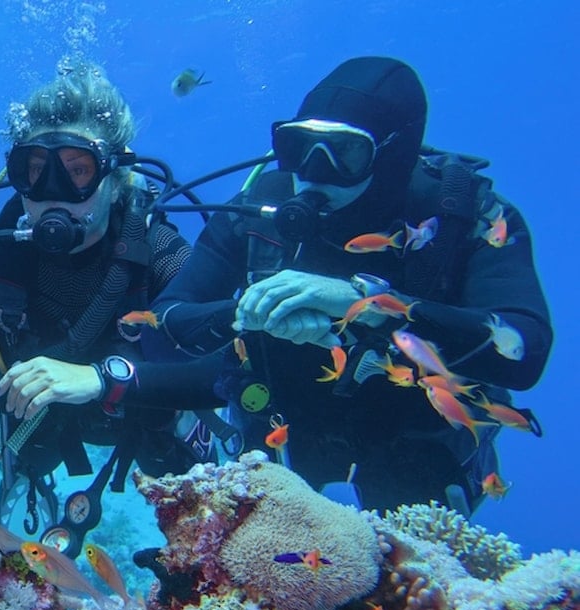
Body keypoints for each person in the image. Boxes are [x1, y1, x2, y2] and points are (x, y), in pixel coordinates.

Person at [147, 56, 552, 515]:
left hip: (414, 449)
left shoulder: (465, 217)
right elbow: (161, 326)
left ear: (393, 153)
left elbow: (526, 349)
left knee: (405, 574)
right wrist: (247, 311)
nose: (314, 171)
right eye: (299, 146)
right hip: (279, 441)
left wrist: (375, 305)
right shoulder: (260, 211)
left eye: (347, 152)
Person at [0, 64, 222, 555]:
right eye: (34, 171)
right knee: (27, 459)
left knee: (187, 488)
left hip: (141, 409)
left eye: (77, 172)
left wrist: (103, 378)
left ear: (114, 177)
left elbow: (225, 365)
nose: (52, 195)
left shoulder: (159, 252)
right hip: (41, 417)